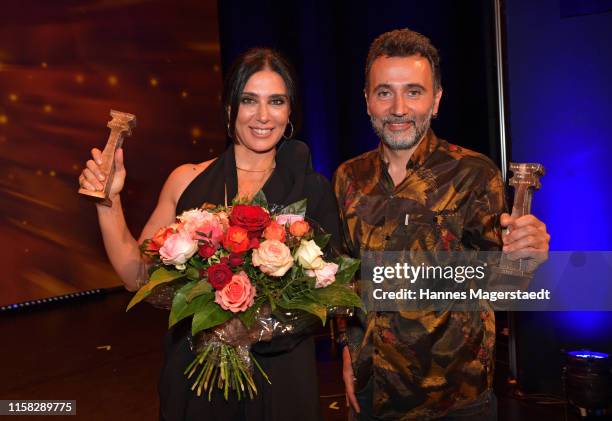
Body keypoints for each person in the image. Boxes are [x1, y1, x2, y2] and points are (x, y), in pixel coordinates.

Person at [78, 48, 340, 421]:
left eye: (276, 102)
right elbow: (136, 276)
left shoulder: (311, 190)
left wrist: (257, 326)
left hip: (281, 379)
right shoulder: (187, 180)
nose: (263, 116)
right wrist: (109, 201)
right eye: (249, 100)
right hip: (197, 377)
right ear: (230, 109)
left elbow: (329, 294)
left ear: (289, 113)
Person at [333, 29, 550, 420]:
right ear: (367, 101)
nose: (398, 107)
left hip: (457, 400)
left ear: (436, 100)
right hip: (371, 396)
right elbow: (341, 279)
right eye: (384, 92)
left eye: (414, 91)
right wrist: (347, 350)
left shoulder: (473, 174)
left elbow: (505, 290)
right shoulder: (348, 177)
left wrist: (528, 256)